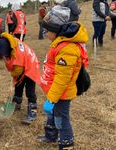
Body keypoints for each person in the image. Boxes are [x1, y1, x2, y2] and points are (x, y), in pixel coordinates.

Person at [36, 5, 89, 150]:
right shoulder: (59, 43)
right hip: (55, 92)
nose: (45, 33)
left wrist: (52, 99)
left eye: (47, 30)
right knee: (53, 115)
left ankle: (66, 143)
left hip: (61, 94)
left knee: (61, 119)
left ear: (56, 30)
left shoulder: (67, 49)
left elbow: (62, 79)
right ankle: (51, 136)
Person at [0, 33, 40, 124]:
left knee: (30, 91)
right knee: (19, 85)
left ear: (8, 49)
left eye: (5, 55)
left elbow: (17, 71)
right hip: (22, 65)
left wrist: (12, 77)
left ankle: (32, 112)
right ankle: (16, 104)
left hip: (31, 66)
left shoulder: (17, 53)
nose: (4, 57)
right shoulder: (9, 44)